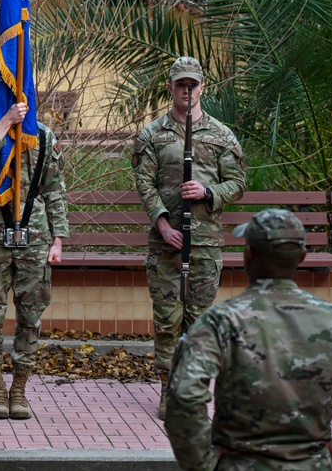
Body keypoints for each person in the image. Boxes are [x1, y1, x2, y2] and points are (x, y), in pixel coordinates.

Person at [165, 209, 332, 470]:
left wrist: (203, 463)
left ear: (249, 255)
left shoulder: (221, 321)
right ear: (301, 257)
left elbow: (184, 395)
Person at [132, 56, 246, 419]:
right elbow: (144, 184)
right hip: (167, 242)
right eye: (181, 84)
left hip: (206, 242)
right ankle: (167, 392)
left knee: (198, 321)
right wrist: (162, 223)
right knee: (167, 319)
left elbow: (238, 184)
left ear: (202, 87)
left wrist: (209, 192)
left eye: (192, 84)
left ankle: (192, 389)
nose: (187, 90)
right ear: (171, 87)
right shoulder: (152, 134)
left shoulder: (221, 135)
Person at [0, 101, 68, 420]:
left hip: (35, 237)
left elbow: (54, 189)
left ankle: (19, 389)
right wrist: (5, 123)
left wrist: (59, 238)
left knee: (30, 316)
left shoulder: (43, 136)